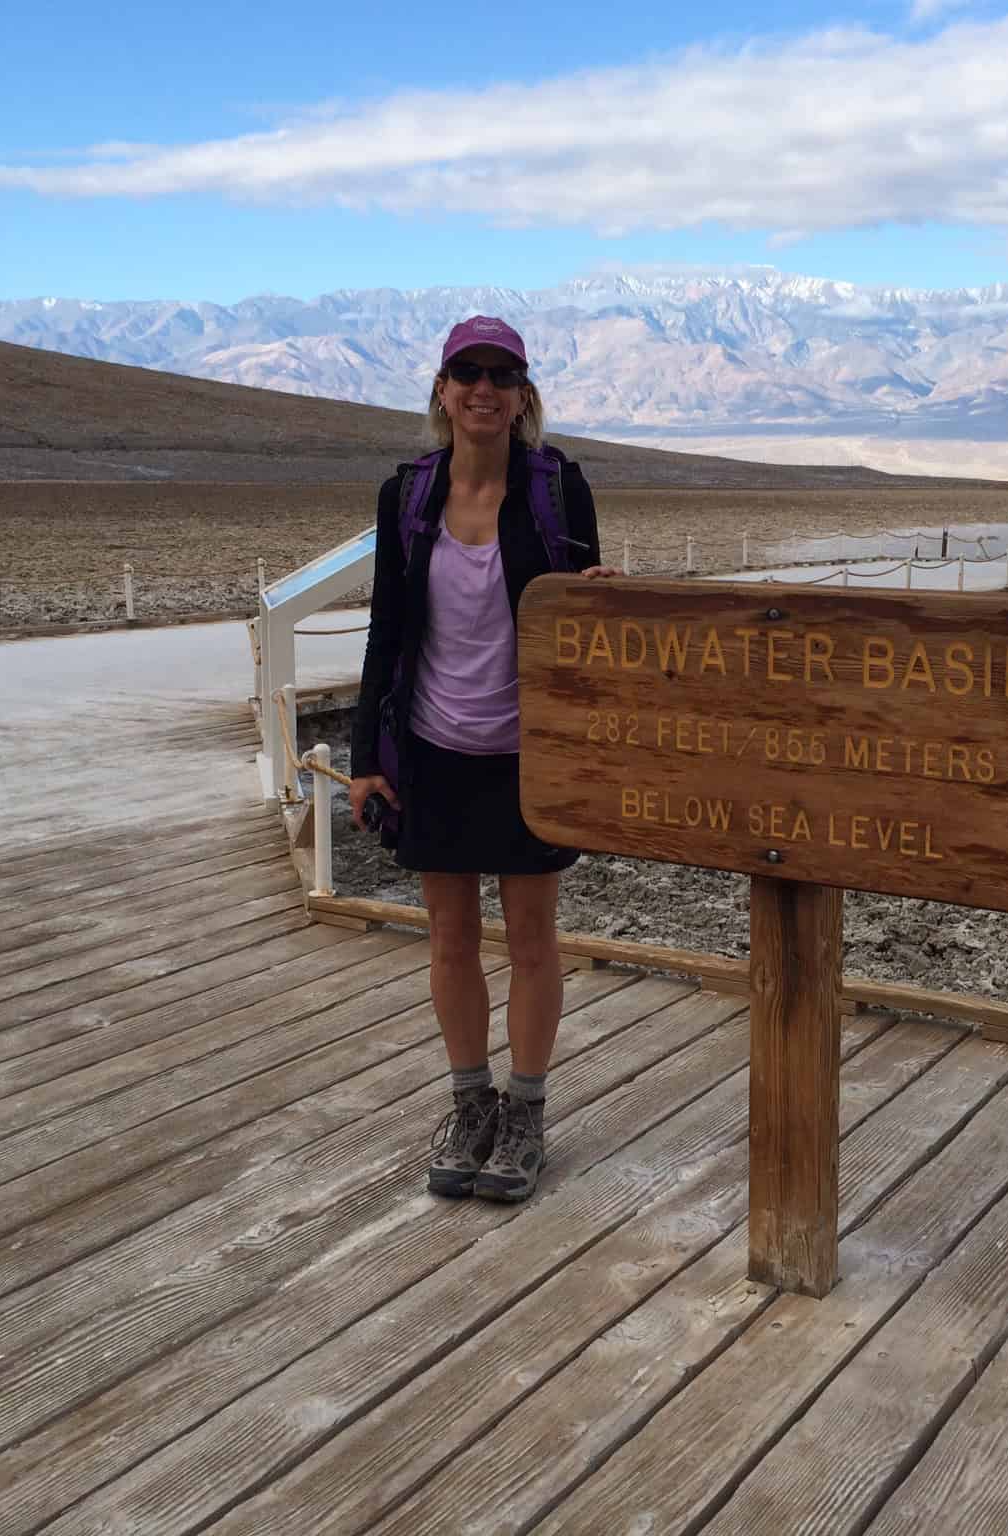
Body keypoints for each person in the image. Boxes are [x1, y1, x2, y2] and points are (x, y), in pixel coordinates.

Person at [349, 315, 618, 1204]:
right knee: (451, 936)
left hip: (524, 751)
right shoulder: (406, 496)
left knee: (534, 940)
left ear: (523, 396)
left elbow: (579, 618)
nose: (484, 388)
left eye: (503, 375)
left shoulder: (557, 488)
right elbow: (388, 628)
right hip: (431, 747)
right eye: (468, 371)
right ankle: (472, 1105)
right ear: (441, 389)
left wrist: (603, 607)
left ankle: (526, 1113)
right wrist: (364, 756)